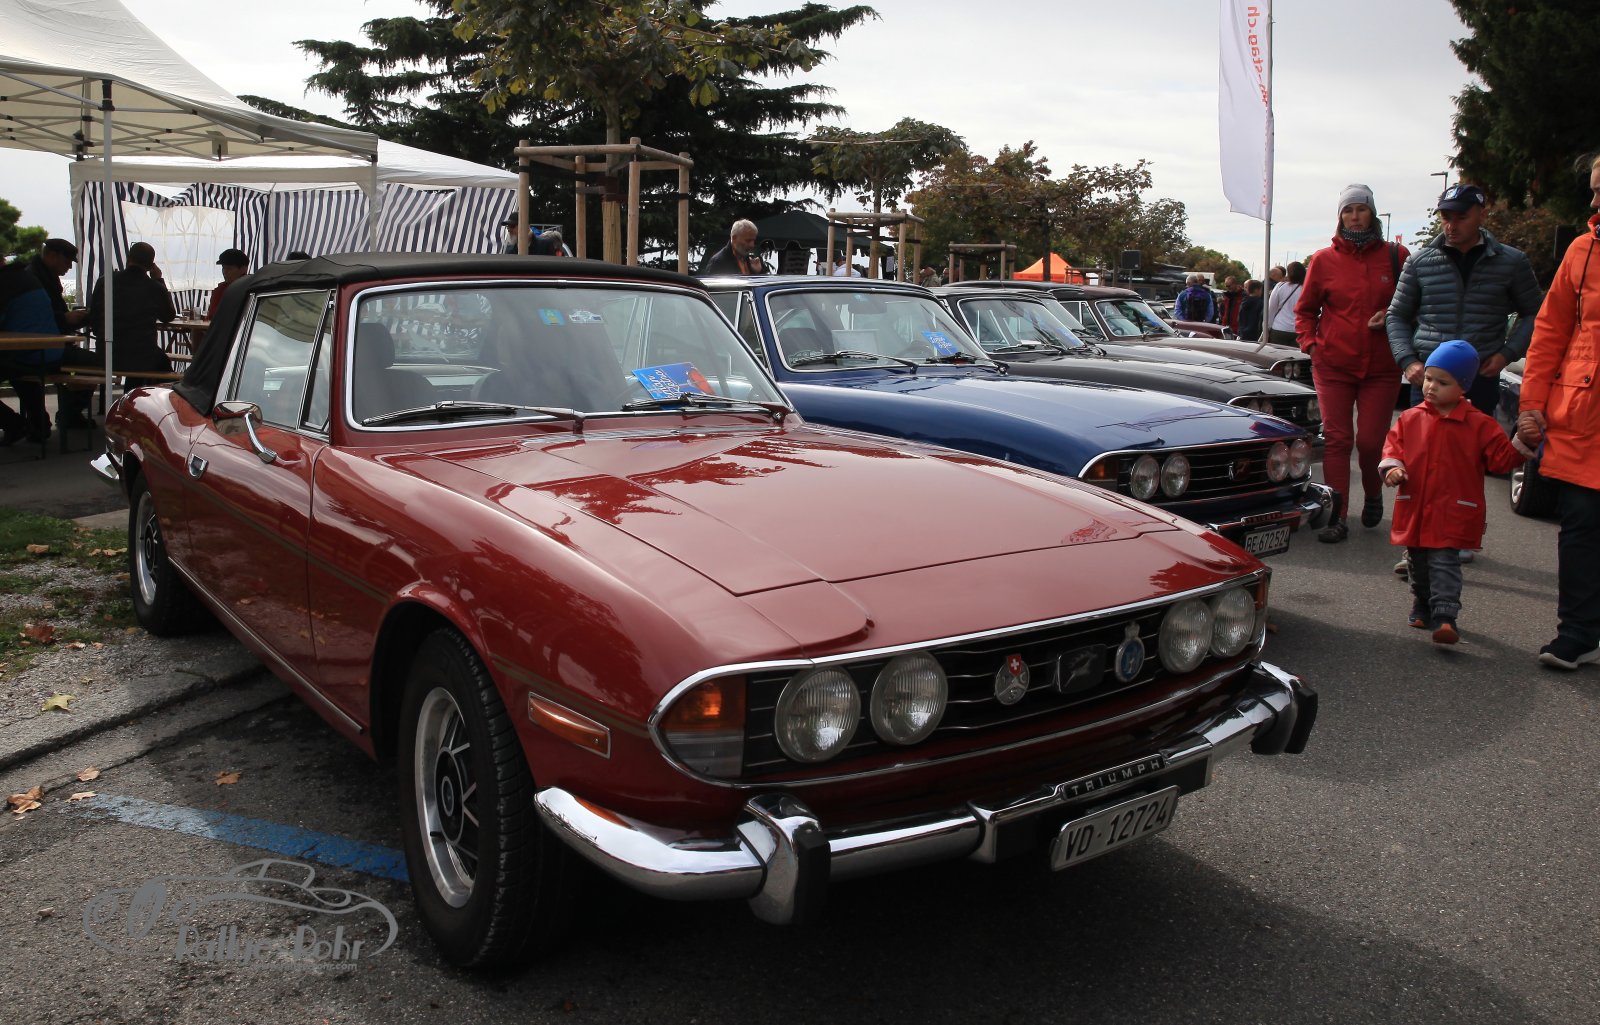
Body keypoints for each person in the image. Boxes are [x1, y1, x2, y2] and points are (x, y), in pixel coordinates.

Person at [1380, 341, 1532, 644]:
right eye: (1429, 378)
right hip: (1416, 507)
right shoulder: (1411, 418)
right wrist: (1393, 468)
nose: (1431, 387)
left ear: (1462, 386)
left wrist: (1523, 442)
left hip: (1452, 510)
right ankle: (1422, 603)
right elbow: (1393, 448)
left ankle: (1446, 616)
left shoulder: (1480, 424)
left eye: (1442, 382)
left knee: (1444, 562)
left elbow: (1501, 461)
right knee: (1418, 562)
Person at [1515, 153, 1600, 670]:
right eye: (1593, 188)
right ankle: (1579, 633)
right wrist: (1531, 405)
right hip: (1583, 415)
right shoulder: (1582, 250)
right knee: (1582, 526)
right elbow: (1549, 332)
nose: (1593, 200)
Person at [1296, 183, 1410, 542]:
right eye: (1348, 210)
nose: (1355, 216)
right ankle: (1337, 514)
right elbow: (1305, 311)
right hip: (1333, 365)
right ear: (1340, 216)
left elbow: (1414, 304)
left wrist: (1389, 314)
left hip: (1382, 367)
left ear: (1372, 214)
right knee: (1337, 440)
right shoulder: (1323, 260)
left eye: (1361, 209)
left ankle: (1374, 494)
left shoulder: (1397, 256)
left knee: (1372, 442)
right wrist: (1311, 345)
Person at [1387, 183, 1543, 415]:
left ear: (1482, 214)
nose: (1451, 226)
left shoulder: (1511, 262)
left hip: (1481, 377)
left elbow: (1535, 313)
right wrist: (1408, 360)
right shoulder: (1419, 263)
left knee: (1475, 439)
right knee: (1424, 439)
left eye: (1461, 218)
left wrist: (1507, 354)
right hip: (1430, 378)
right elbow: (1396, 315)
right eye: (1446, 217)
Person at [85, 242, 176, 387]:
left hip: (107, 354)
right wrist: (158, 280)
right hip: (142, 356)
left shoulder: (105, 281)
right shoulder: (154, 287)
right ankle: (138, 396)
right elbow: (168, 315)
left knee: (141, 356)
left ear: (129, 258)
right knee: (162, 364)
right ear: (150, 265)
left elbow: (94, 319)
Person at [0, 259, 63, 444]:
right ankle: (39, 424)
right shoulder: (24, 277)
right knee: (20, 375)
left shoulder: (5, 283)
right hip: (48, 351)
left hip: (29, 353)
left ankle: (14, 424)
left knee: (15, 368)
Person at [698, 219, 767, 276]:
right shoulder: (718, 262)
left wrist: (758, 272)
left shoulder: (752, 259)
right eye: (748, 240)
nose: (752, 245)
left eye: (753, 240)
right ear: (734, 238)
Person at [1265, 261, 1305, 347]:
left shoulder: (1280, 286)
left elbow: (1271, 308)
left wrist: (1267, 327)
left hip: (1279, 328)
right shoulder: (1306, 289)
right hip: (1298, 329)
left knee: (1276, 353)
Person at [206, 249, 249, 320]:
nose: (224, 272)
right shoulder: (220, 290)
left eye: (229, 268)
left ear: (243, 269)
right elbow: (212, 317)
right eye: (223, 268)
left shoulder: (252, 290)